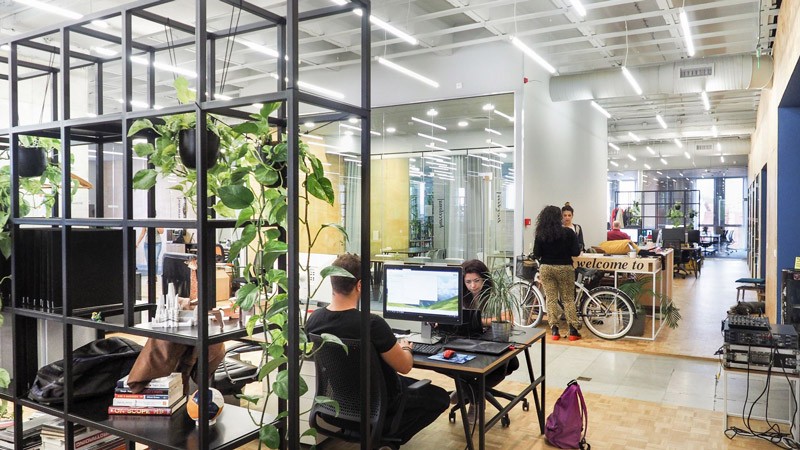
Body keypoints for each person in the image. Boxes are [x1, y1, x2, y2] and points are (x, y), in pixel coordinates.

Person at [305, 253, 449, 446]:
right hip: (380, 408)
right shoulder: (371, 324)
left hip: (337, 407)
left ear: (332, 282)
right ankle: (387, 437)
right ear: (359, 285)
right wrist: (405, 348)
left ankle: (375, 435)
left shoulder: (314, 321)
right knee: (439, 396)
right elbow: (405, 366)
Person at [458, 260, 520, 419]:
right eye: (468, 282)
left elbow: (508, 318)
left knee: (475, 370)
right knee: (456, 364)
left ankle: (471, 397)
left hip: (493, 346)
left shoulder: (495, 295)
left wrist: (478, 321)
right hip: (470, 342)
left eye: (477, 281)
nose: (473, 286)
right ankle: (468, 393)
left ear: (484, 279)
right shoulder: (461, 296)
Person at [534, 205, 582, 341]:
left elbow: (537, 253)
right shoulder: (569, 233)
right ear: (559, 217)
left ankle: (554, 330)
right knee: (568, 299)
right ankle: (572, 330)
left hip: (547, 268)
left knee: (551, 299)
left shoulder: (541, 234)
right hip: (565, 268)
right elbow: (576, 252)